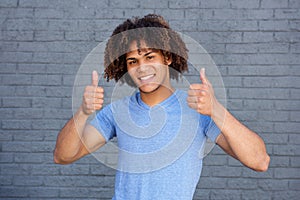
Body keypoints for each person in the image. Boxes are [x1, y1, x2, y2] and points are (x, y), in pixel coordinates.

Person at [54, 14, 270, 199]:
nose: (142, 68)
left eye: (150, 57)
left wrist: (216, 109)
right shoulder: (116, 112)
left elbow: (259, 161)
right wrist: (83, 112)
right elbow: (63, 156)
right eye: (133, 61)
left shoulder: (198, 110)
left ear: (167, 57)